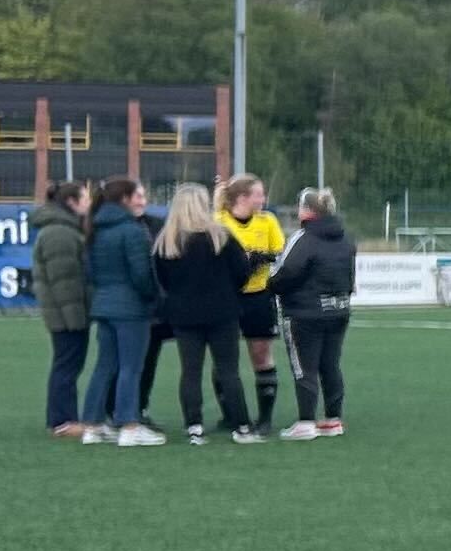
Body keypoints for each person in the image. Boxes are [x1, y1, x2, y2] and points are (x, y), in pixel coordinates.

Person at [150, 181, 259, 445]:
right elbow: (243, 273)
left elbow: (162, 281)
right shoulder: (221, 237)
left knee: (190, 371)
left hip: (184, 315)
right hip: (223, 313)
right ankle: (241, 426)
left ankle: (194, 427)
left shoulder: (167, 242)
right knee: (229, 370)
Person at [267, 185, 356, 438]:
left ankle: (306, 421)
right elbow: (350, 275)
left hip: (304, 313)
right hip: (339, 310)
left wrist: (271, 286)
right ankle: (333, 419)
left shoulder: (303, 238)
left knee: (304, 366)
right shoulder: (345, 239)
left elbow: (286, 272)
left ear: (306, 210)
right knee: (330, 364)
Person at [82, 176, 162, 447]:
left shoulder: (95, 227)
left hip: (104, 304)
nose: (141, 201)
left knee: (104, 366)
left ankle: (93, 426)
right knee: (131, 367)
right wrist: (152, 296)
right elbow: (141, 274)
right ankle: (129, 425)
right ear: (125, 199)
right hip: (130, 308)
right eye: (136, 195)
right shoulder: (131, 230)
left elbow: (90, 272)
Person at [220, 175, 289, 428]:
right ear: (242, 198)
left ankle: (265, 419)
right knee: (224, 356)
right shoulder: (220, 221)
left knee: (261, 354)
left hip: (259, 296)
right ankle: (230, 416)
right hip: (228, 297)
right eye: (258, 194)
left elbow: (280, 252)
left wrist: (263, 257)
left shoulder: (267, 221)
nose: (263, 199)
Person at [29, 181, 92, 435]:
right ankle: (62, 421)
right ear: (71, 202)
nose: (89, 203)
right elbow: (64, 281)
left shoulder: (63, 229)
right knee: (67, 365)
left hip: (67, 311)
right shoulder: (59, 233)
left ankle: (64, 418)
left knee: (67, 364)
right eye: (85, 198)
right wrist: (75, 317)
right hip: (67, 314)